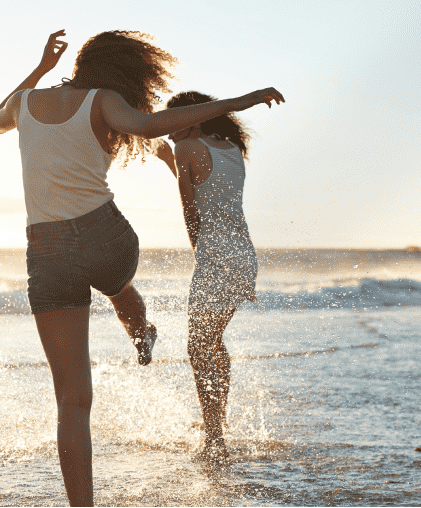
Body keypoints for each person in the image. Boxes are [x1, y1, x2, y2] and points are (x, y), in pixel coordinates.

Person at [0, 30, 284, 506]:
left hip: (46, 251)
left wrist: (41, 68)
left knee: (71, 401)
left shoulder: (24, 102)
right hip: (107, 236)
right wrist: (237, 101)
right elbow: (151, 125)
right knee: (117, 283)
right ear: (127, 72)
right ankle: (141, 329)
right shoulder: (104, 101)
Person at [155, 90, 270, 460]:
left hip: (216, 256)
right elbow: (209, 190)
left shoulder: (184, 150)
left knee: (198, 346)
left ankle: (215, 438)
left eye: (174, 124)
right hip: (243, 255)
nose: (168, 131)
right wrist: (168, 163)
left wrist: (200, 256)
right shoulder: (232, 150)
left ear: (196, 119)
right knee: (212, 341)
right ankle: (217, 424)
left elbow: (191, 211)